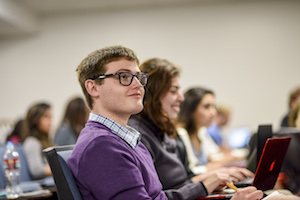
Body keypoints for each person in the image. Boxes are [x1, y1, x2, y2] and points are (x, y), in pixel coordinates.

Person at [128, 57, 262, 200]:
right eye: (174, 91)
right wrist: (204, 185)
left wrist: (215, 176)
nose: (181, 98)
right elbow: (158, 195)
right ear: (154, 94)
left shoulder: (164, 132)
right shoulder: (138, 135)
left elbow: (184, 181)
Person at [21, 102, 53, 180]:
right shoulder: (32, 142)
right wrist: (60, 168)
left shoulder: (46, 140)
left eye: (51, 117)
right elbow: (36, 170)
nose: (50, 121)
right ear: (35, 120)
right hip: (43, 186)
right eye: (46, 117)